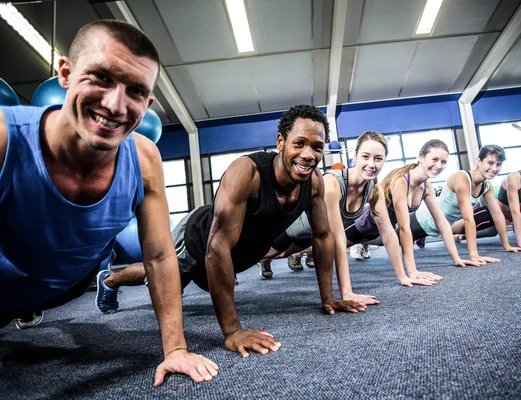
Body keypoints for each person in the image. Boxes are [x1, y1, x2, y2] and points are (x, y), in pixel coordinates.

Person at [0, 20, 217, 385]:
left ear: (147, 103)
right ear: (65, 74)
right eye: (100, 77)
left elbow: (161, 256)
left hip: (67, 285)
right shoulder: (6, 138)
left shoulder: (145, 158)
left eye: (134, 91)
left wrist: (176, 349)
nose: (115, 104)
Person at [97, 105, 364, 357]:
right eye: (299, 143)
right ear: (281, 142)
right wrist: (233, 331)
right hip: (198, 240)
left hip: (229, 254)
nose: (309, 154)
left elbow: (322, 236)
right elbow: (217, 245)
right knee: (158, 275)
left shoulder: (314, 183)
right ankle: (110, 280)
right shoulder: (247, 173)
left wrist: (328, 297)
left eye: (317, 147)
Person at [261, 131, 441, 302]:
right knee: (265, 254)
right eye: (365, 157)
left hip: (312, 234)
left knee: (283, 255)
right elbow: (339, 239)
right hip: (291, 226)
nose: (372, 164)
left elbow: (388, 233)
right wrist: (346, 292)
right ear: (355, 156)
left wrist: (406, 275)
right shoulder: (333, 183)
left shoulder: (374, 189)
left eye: (378, 159)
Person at [364, 140, 484, 279]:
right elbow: (404, 229)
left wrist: (457, 258)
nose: (439, 166)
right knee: (339, 246)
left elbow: (442, 223)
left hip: (385, 229)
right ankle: (360, 245)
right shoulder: (401, 181)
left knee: (384, 239)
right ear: (421, 157)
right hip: (363, 226)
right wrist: (413, 271)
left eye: (443, 162)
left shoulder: (427, 188)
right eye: (434, 159)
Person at [414, 145, 521, 263]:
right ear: (478, 161)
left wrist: (507, 245)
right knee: (394, 244)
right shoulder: (462, 178)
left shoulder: (487, 186)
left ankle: (424, 236)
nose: (494, 168)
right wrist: (474, 255)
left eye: (498, 164)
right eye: (490, 163)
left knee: (491, 215)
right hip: (420, 222)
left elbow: (497, 215)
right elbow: (468, 219)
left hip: (443, 227)